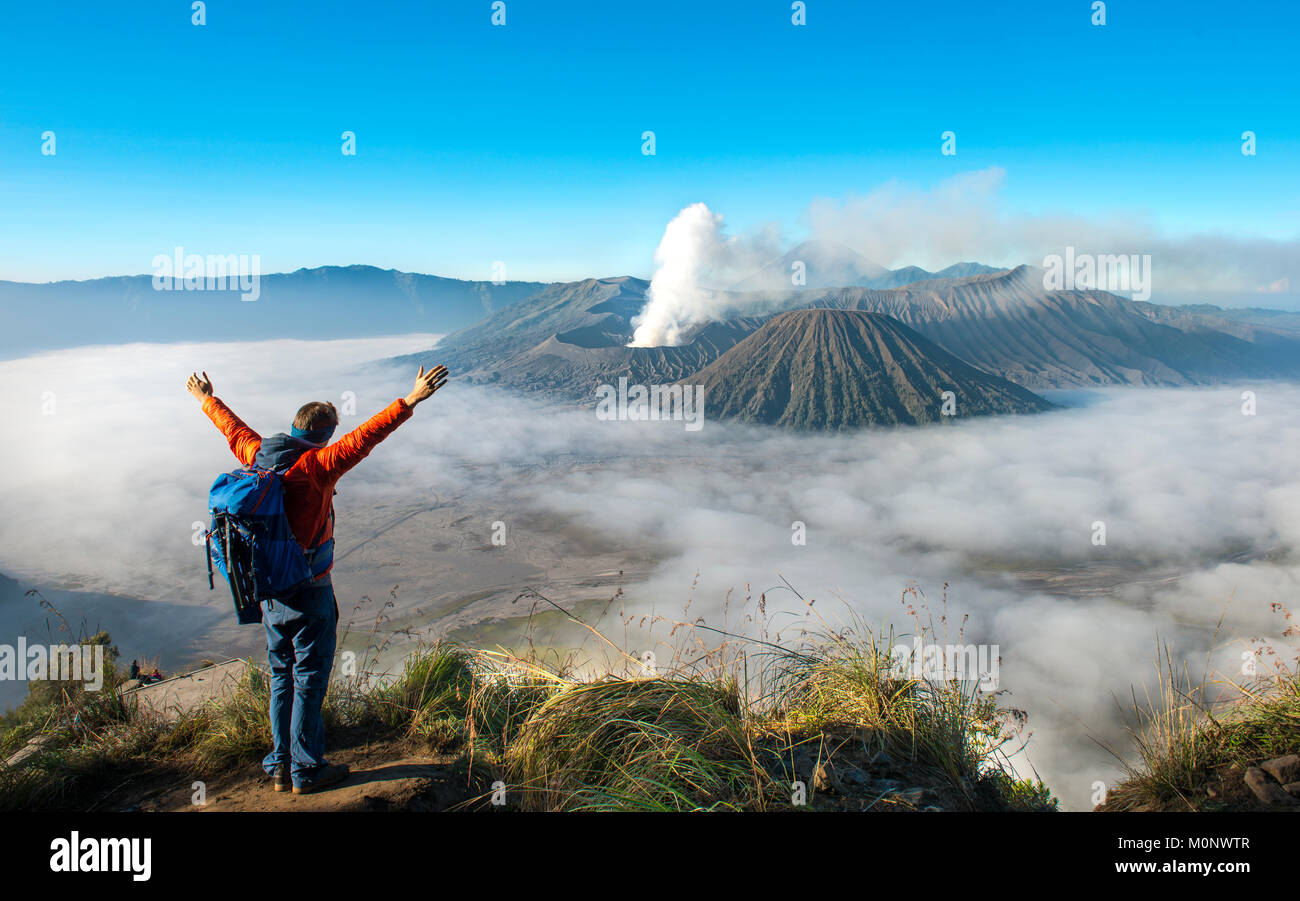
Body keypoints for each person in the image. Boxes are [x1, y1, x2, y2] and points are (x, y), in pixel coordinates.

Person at [186, 364, 448, 794]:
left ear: (293, 427)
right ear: (324, 435)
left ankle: (279, 766)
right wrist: (411, 400)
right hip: (309, 591)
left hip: (268, 592)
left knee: (281, 675)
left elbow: (233, 430)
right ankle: (306, 770)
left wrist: (206, 399)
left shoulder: (258, 456)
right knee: (308, 677)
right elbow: (365, 437)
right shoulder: (319, 466)